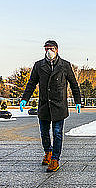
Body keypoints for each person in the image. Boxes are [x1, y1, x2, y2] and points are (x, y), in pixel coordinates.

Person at [20, 40, 82, 172]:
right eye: (46, 48)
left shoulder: (65, 65)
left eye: (51, 48)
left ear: (57, 50)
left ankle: (55, 159)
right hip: (44, 104)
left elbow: (73, 84)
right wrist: (25, 98)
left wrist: (78, 100)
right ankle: (48, 152)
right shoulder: (38, 65)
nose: (49, 51)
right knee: (44, 133)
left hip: (59, 105)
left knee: (57, 133)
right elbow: (31, 83)